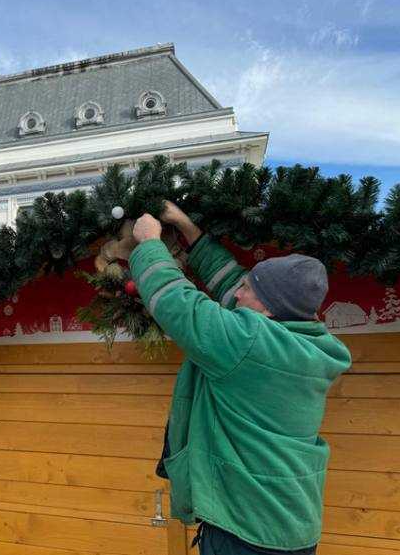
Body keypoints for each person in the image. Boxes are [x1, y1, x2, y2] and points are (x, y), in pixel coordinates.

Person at [126, 201, 351, 554]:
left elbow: (178, 304)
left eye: (247, 288)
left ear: (268, 310)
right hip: (293, 527)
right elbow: (232, 283)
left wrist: (150, 243)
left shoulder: (249, 342)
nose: (237, 293)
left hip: (245, 531)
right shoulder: (307, 345)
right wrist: (188, 229)